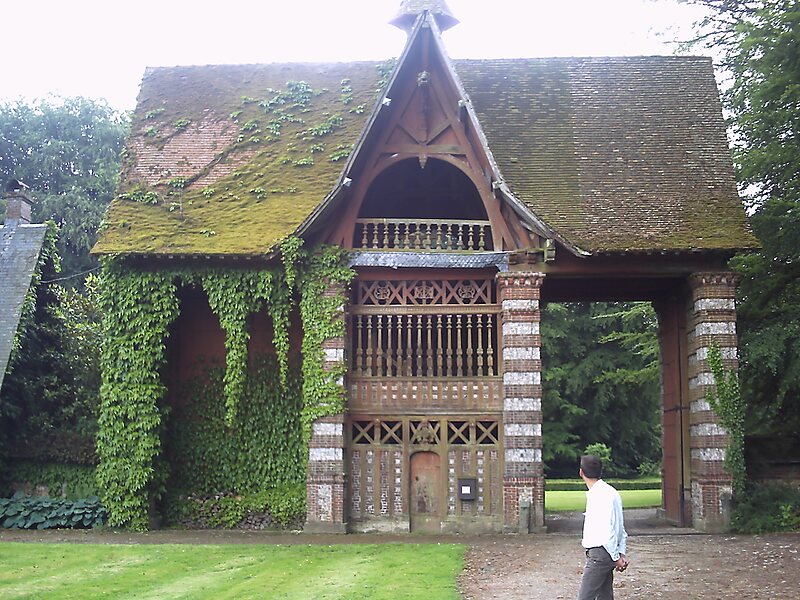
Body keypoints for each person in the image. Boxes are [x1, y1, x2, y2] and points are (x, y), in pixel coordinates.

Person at [576, 454, 629, 600]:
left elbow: (607, 530)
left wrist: (616, 557)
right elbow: (620, 527)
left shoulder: (597, 496)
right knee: (605, 596)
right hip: (607, 552)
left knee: (585, 597)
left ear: (581, 472)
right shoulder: (611, 492)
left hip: (600, 553)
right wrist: (620, 553)